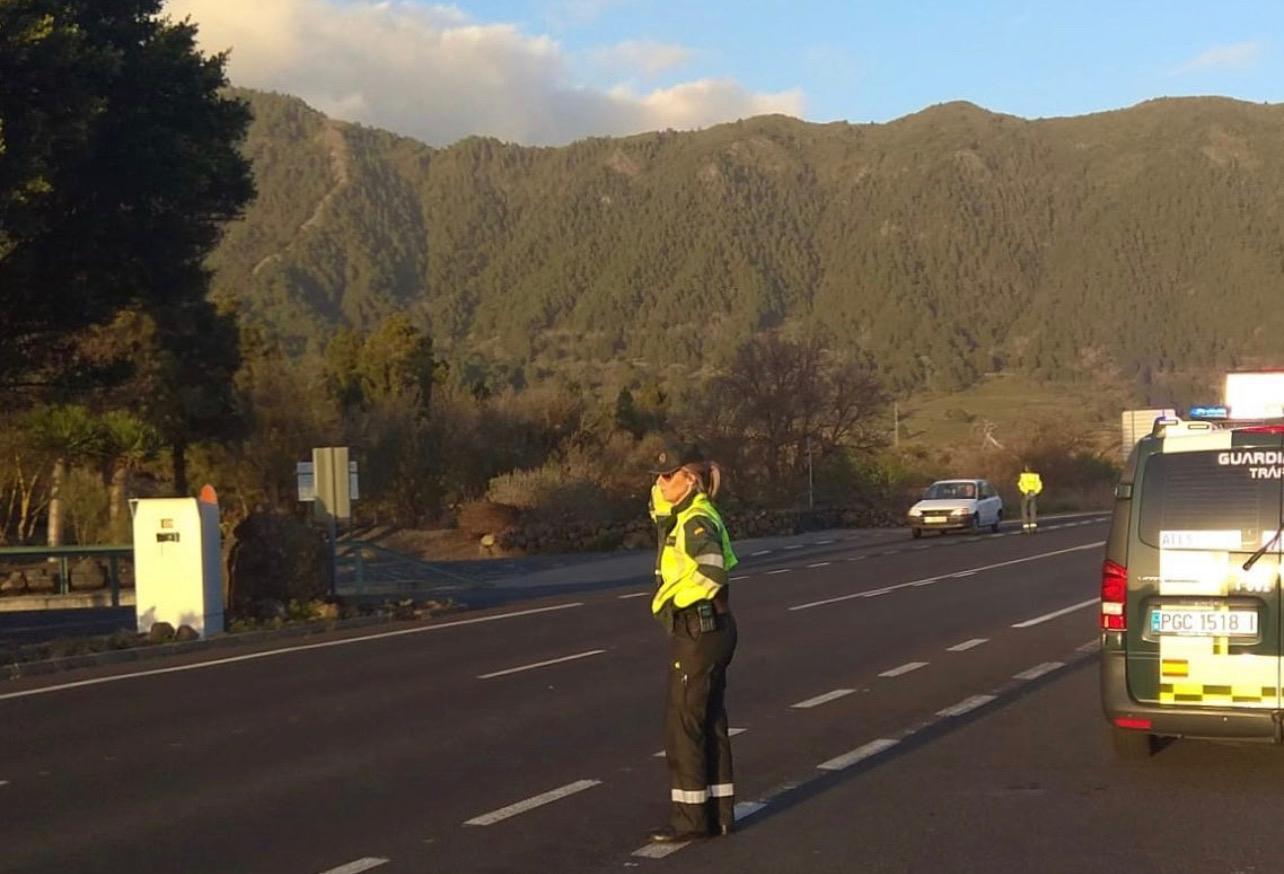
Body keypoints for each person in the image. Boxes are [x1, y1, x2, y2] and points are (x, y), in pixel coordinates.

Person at [646, 443, 739, 843]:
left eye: (669, 475)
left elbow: (712, 571)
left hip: (698, 630)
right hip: (713, 629)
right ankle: (719, 813)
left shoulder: (696, 520)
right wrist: (664, 489)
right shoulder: (686, 514)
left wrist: (673, 599)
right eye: (658, 476)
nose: (660, 482)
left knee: (683, 724)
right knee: (709, 720)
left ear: (691, 479)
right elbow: (660, 511)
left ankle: (690, 819)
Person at [1018, 464, 1043, 533]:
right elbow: (1039, 485)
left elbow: (1020, 485)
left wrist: (1026, 492)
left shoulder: (1023, 476)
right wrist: (1035, 492)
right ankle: (1033, 528)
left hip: (1025, 494)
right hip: (1033, 494)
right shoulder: (1036, 476)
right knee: (1033, 510)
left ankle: (1026, 528)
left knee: (1024, 511)